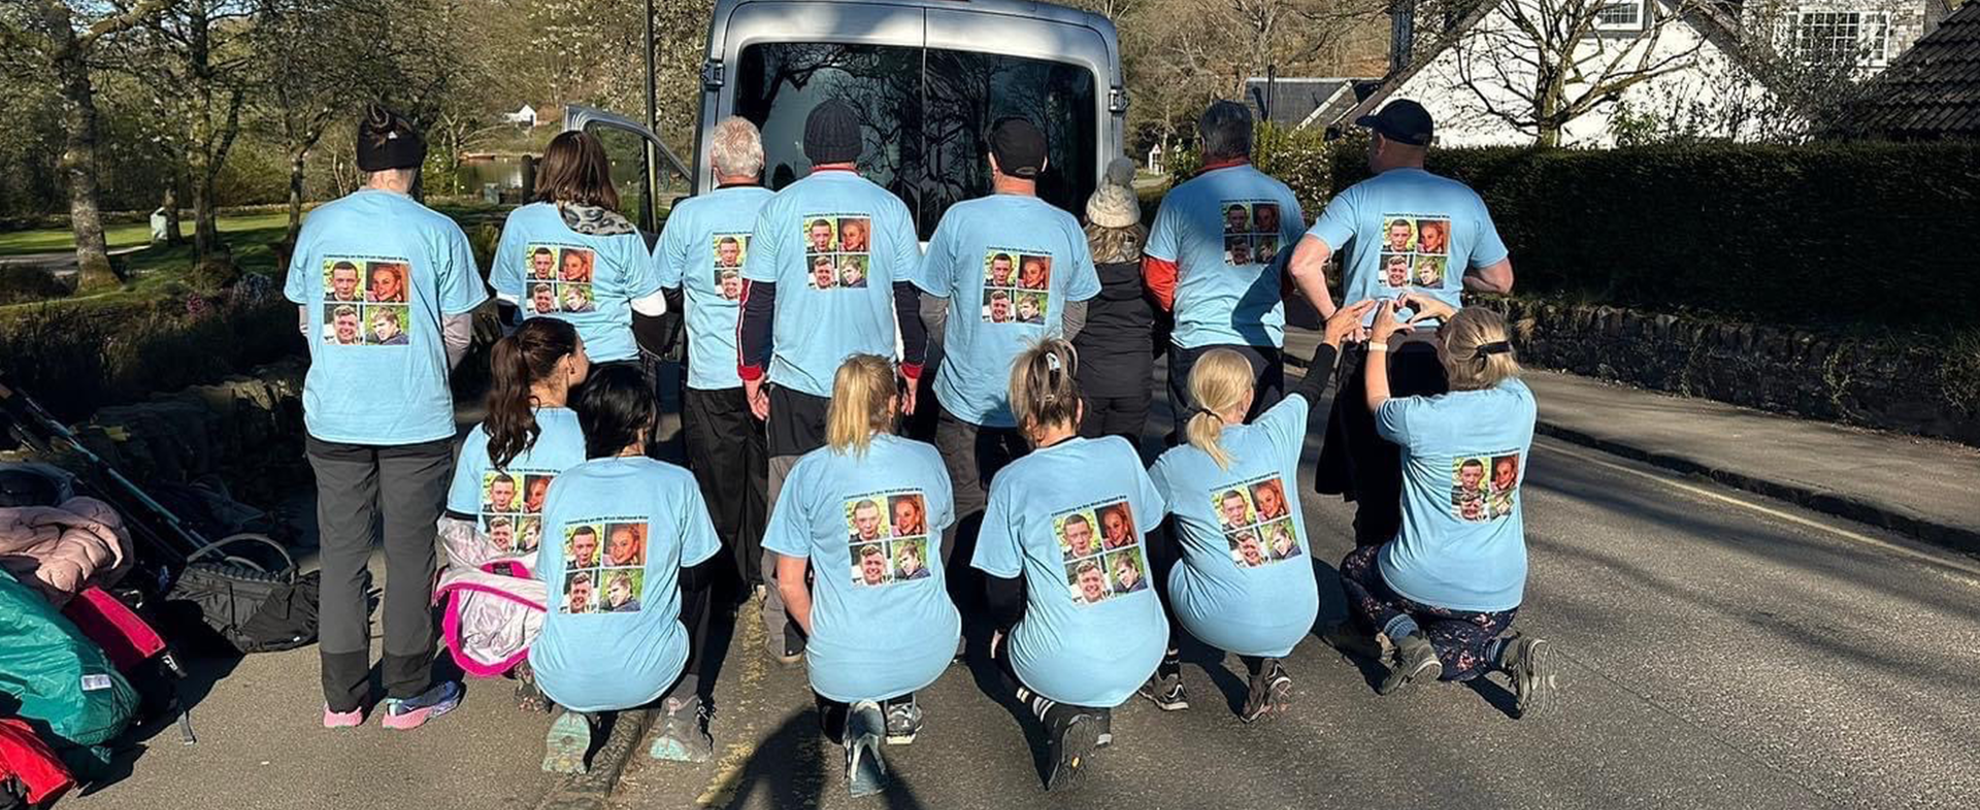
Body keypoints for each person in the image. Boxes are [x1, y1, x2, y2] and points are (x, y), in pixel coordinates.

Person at [285, 105, 485, 730]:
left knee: (342, 554)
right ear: (415, 164)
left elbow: (307, 321)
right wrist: (422, 370)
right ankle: (408, 689)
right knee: (410, 553)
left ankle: (342, 698)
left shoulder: (320, 224)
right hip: (415, 420)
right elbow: (459, 331)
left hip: (335, 416)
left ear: (361, 164)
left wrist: (347, 368)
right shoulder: (439, 231)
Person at [740, 99, 928, 666]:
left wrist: (752, 374)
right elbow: (910, 303)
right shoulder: (890, 209)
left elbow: (756, 302)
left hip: (797, 385)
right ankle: (869, 614)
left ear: (807, 150)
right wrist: (911, 372)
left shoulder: (779, 208)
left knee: (789, 507)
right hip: (870, 387)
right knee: (867, 502)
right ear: (859, 150)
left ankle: (787, 629)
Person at [1288, 99, 1516, 547]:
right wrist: (1451, 277)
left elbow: (1302, 264)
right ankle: (1425, 563)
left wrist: (1334, 317)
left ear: (1381, 141)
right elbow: (1500, 279)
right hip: (1443, 352)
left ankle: (1373, 576)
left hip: (1372, 348)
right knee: (1434, 472)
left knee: (1374, 480)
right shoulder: (1464, 200)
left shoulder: (1357, 197)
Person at [1144, 299, 1375, 720]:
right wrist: (1331, 336)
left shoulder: (1173, 464)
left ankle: (1167, 667)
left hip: (1216, 621)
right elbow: (1312, 386)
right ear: (1248, 398)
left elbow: (1138, 521)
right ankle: (1264, 667)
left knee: (1159, 538)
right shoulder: (1275, 432)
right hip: (1301, 613)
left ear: (1194, 396)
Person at [1337, 300, 1556, 718]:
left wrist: (1379, 340)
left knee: (1353, 568)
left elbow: (1377, 401)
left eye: (1441, 341)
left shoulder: (1421, 417)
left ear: (1447, 359)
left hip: (1419, 578)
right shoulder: (1521, 403)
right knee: (1452, 657)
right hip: (1499, 595)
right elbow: (1491, 352)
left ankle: (1405, 635)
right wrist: (1446, 311)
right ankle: (1504, 651)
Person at [972, 338, 1167, 790]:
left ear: (1026, 421)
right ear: (1079, 408)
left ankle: (1058, 713)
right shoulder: (1121, 451)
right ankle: (1096, 708)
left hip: (1067, 660)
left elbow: (1000, 592)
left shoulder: (1011, 480)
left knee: (998, 647)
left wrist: (1007, 629)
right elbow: (1154, 543)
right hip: (1147, 647)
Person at [761, 354, 957, 796]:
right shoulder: (926, 457)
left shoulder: (809, 470)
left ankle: (856, 713)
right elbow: (939, 537)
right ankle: (898, 697)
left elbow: (788, 582)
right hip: (930, 647)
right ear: (891, 403)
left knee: (838, 672)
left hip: (843, 657)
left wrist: (825, 635)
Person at [915, 117, 1099, 586]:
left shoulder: (959, 219)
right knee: (1033, 509)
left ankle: (963, 603)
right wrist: (1043, 358)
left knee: (963, 510)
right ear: (1044, 163)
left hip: (965, 399)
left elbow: (930, 308)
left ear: (991, 162)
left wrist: (963, 347)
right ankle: (1019, 597)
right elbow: (1076, 315)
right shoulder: (1067, 227)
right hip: (1038, 399)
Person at [533, 364, 725, 771]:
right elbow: (698, 571)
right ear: (646, 420)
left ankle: (576, 711)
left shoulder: (563, 485)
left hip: (559, 676)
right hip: (649, 676)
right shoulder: (676, 481)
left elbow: (548, 579)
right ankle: (681, 713)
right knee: (702, 576)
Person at [656, 118, 775, 616]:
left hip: (710, 372)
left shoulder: (688, 216)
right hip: (772, 371)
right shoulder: (781, 208)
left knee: (717, 484)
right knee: (767, 480)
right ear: (761, 162)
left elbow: (662, 285)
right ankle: (766, 573)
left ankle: (727, 587)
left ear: (713, 164)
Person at [435, 321, 591, 701]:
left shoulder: (484, 435)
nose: (588, 357)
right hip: (563, 585)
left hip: (497, 587)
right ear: (568, 363)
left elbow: (459, 523)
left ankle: (525, 649)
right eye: (583, 350)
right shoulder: (588, 434)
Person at [1144, 101, 1307, 439]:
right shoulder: (1282, 196)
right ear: (1249, 142)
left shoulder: (1180, 199)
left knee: (1196, 447)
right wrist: (1270, 295)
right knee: (1260, 447)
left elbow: (1156, 273)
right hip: (1260, 341)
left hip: (1198, 339)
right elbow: (1296, 268)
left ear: (1204, 144)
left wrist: (1184, 304)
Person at [490, 130, 666, 365]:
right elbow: (651, 306)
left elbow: (507, 298)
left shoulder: (520, 221)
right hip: (611, 360)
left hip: (544, 361)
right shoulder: (620, 229)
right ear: (599, 172)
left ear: (548, 168)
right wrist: (649, 358)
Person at [1073, 158, 1156, 450]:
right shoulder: (1148, 262)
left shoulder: (1080, 262)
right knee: (1123, 457)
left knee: (1083, 457)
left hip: (1087, 372)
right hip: (1135, 372)